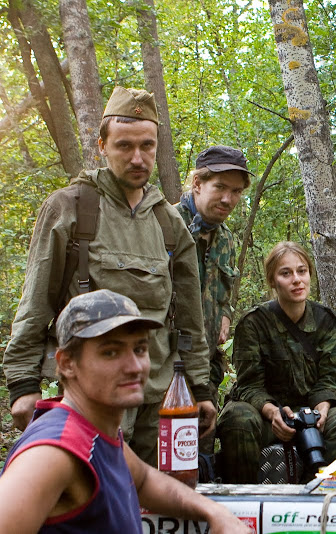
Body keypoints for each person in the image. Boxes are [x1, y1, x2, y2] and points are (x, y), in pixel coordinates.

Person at [3, 87, 214, 466]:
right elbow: (35, 303)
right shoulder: (71, 208)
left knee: (155, 509)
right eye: (124, 146)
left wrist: (200, 386)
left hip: (158, 398)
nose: (138, 158)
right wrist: (22, 383)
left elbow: (189, 321)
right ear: (102, 145)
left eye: (147, 146)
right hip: (87, 397)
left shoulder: (169, 222)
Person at [0, 290, 250, 534]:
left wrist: (215, 512)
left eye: (139, 349)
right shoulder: (55, 452)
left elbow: (144, 480)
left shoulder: (96, 431)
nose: (134, 366)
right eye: (111, 352)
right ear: (67, 363)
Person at [216, 241, 336, 483]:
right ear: (273, 281)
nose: (297, 280)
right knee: (238, 419)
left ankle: (313, 487)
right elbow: (249, 386)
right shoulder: (254, 324)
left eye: (302, 271)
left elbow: (328, 379)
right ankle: (244, 498)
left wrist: (322, 410)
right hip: (262, 415)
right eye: (286, 273)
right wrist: (272, 412)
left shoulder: (325, 321)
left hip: (308, 416)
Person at [175, 145, 252, 455]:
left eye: (235, 191)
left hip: (206, 368)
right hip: (166, 370)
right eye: (219, 187)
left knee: (200, 455)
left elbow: (223, 292)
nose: (227, 199)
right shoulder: (164, 225)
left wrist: (225, 314)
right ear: (197, 184)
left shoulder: (225, 238)